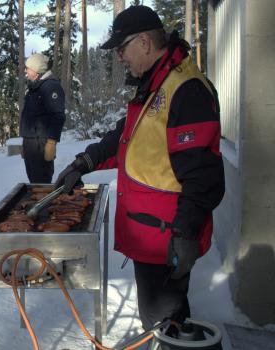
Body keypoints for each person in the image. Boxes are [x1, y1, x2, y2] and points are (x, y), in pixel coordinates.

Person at [54, 5, 225, 332]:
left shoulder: (185, 89)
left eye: (122, 48)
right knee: (162, 317)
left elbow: (203, 173)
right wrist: (84, 163)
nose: (120, 57)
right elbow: (127, 137)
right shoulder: (156, 84)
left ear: (144, 42)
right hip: (150, 235)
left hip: (167, 236)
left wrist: (186, 232)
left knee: (163, 322)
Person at [20, 53, 66, 184]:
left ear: (36, 70)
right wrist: (26, 141)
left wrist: (52, 142)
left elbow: (58, 116)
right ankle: (38, 204)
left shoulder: (51, 87)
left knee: (42, 182)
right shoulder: (34, 87)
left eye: (28, 68)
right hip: (31, 143)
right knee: (33, 181)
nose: (26, 71)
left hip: (42, 144)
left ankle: (44, 204)